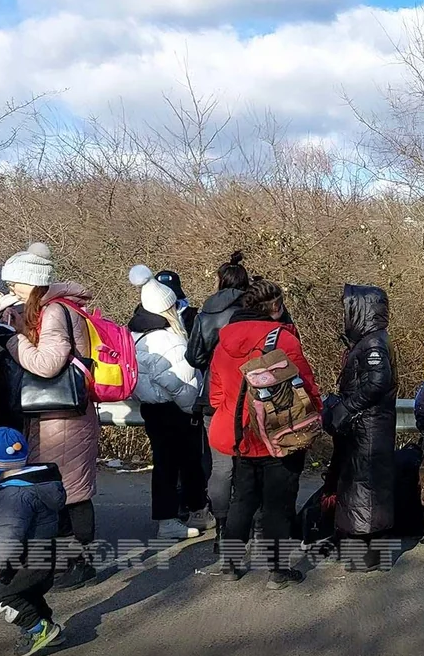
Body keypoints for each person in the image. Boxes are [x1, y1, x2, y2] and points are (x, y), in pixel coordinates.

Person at [1, 243, 101, 590]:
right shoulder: (60, 306)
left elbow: (47, 364)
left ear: (32, 282)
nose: (11, 288)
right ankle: (76, 560)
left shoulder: (55, 311)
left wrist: (14, 342)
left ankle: (78, 563)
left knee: (67, 492)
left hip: (62, 419)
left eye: (15, 283)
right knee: (70, 488)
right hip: (65, 415)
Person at [210, 279, 319, 589]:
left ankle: (231, 563)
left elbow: (216, 395)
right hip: (278, 434)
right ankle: (277, 571)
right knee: (278, 504)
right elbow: (306, 388)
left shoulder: (223, 341)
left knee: (242, 498)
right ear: (275, 306)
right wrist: (313, 418)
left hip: (241, 434)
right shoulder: (284, 340)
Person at [128, 265, 206, 541]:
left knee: (167, 462)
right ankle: (170, 518)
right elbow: (179, 382)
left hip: (151, 408)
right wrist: (192, 407)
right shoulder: (168, 339)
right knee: (181, 463)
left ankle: (189, 510)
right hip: (175, 409)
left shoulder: (135, 333)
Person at [0, 426, 67, 656]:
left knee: (3, 597)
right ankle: (49, 629)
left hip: (28, 554)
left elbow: (11, 532)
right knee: (28, 592)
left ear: (0, 468)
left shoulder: (14, 495)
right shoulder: (33, 482)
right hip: (42, 552)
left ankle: (38, 628)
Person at [323, 285, 397, 573]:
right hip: (369, 425)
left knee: (365, 487)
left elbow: (378, 381)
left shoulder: (373, 344)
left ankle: (367, 556)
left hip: (368, 426)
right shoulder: (370, 341)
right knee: (366, 486)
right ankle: (369, 553)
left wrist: (348, 406)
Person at [185, 251, 251, 548]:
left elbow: (194, 356)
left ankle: (223, 526)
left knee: (220, 465)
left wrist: (213, 364)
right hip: (251, 392)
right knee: (250, 462)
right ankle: (248, 523)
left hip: (216, 394)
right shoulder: (253, 313)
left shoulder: (206, 314)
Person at [154, 269, 199, 334]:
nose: (166, 298)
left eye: (170, 294)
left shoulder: (193, 318)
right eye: (162, 294)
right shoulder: (145, 319)